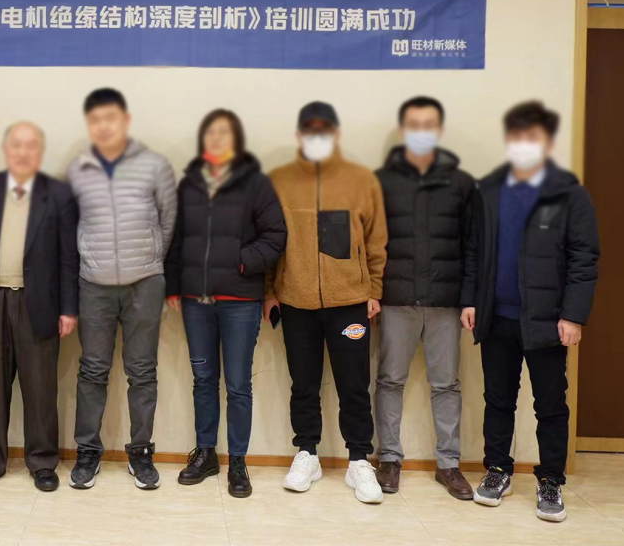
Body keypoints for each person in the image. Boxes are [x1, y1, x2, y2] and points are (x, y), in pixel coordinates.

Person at [462, 101, 600, 523]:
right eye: (518, 137)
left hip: (547, 320)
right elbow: (473, 251)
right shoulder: (488, 191)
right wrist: (470, 299)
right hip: (496, 316)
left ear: (547, 143)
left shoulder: (568, 193)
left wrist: (573, 315)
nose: (524, 144)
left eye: (533, 137)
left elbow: (584, 258)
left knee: (550, 404)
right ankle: (497, 470)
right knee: (498, 399)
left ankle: (551, 479)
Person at [266, 101, 388, 504]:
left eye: (324, 130)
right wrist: (270, 291)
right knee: (303, 384)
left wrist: (374, 290)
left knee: (354, 385)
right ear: (299, 135)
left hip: (350, 300)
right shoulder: (279, 181)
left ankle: (359, 460)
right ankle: (307, 453)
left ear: (335, 134)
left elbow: (376, 240)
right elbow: (269, 238)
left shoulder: (361, 180)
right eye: (309, 130)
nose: (316, 137)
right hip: (295, 301)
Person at [165, 109, 286, 499]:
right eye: (211, 133)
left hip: (239, 301)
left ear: (236, 140)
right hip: (196, 302)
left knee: (237, 385)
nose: (216, 139)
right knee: (203, 380)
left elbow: (275, 235)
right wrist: (173, 284)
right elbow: (177, 238)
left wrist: (239, 261)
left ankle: (237, 461)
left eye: (224, 133)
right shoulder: (189, 185)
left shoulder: (256, 184)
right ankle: (205, 453)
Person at [0, 122, 80, 493]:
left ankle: (42, 462)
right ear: (6, 149)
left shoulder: (58, 194)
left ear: (39, 152)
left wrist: (68, 308)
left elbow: (68, 257)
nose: (23, 152)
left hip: (39, 302)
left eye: (31, 146)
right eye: (16, 145)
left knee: (41, 388)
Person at [67, 88, 177, 490]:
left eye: (110, 118)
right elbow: (71, 225)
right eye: (96, 119)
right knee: (92, 370)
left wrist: (149, 261)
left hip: (144, 284)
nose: (104, 126)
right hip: (93, 285)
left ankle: (141, 452)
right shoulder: (78, 169)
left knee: (142, 371)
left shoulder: (155, 165)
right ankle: (87, 452)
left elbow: (168, 220)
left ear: (125, 121)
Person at [373, 96, 476, 500]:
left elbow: (472, 245)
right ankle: (389, 459)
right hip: (395, 298)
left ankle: (448, 464)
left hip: (445, 301)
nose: (421, 131)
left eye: (428, 124)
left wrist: (469, 298)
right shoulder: (380, 181)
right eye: (414, 125)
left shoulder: (462, 183)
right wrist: (372, 293)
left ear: (439, 130)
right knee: (389, 381)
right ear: (403, 131)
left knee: (446, 384)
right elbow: (370, 242)